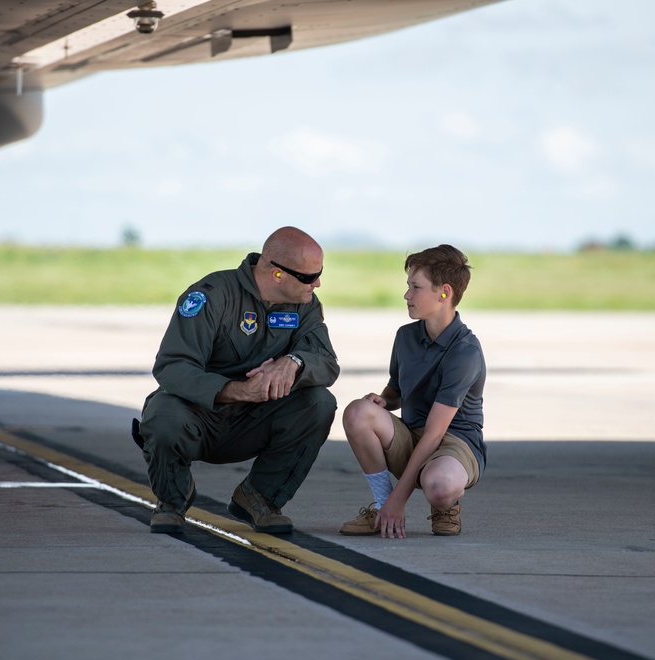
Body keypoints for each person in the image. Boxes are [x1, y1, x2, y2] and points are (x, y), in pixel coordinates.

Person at [134, 226, 339, 534]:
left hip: (253, 421)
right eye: (308, 277)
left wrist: (293, 362)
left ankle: (258, 497)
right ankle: (172, 500)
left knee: (319, 402)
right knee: (162, 414)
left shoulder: (305, 305)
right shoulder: (212, 295)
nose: (317, 283)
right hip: (201, 416)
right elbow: (172, 367)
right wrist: (235, 390)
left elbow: (327, 363)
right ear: (276, 273)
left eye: (319, 273)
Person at [339, 244, 485, 538]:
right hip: (412, 432)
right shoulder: (405, 336)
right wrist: (385, 400)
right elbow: (396, 390)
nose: (407, 295)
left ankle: (445, 506)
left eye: (415, 287)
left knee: (439, 485)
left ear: (444, 292)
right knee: (358, 412)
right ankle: (380, 508)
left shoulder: (464, 352)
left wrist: (399, 502)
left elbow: (434, 434)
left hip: (453, 443)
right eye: (408, 286)